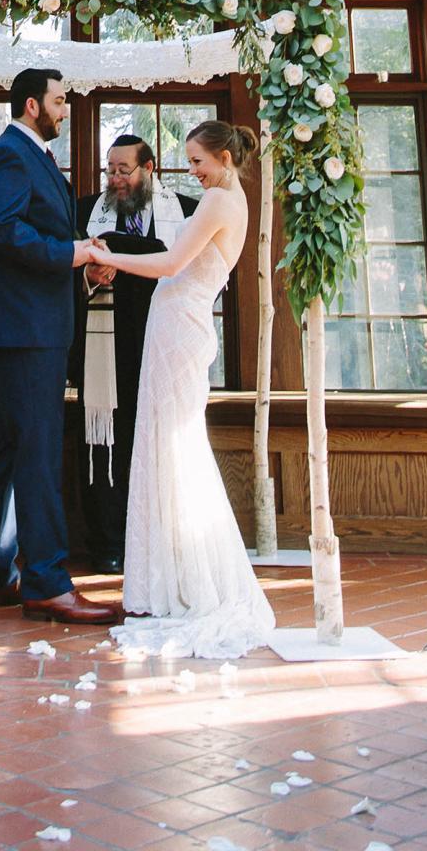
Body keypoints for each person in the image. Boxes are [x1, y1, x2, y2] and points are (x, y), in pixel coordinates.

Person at [87, 119, 275, 660]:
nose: (191, 171)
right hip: (179, 325)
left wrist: (108, 258)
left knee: (173, 448)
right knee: (171, 447)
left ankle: (187, 579)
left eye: (198, 161)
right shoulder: (229, 200)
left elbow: (171, 263)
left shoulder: (218, 204)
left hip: (178, 327)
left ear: (225, 158)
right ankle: (173, 577)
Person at [0, 67, 117, 624]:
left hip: (26, 321)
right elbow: (5, 231)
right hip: (27, 329)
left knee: (4, 450)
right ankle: (48, 584)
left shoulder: (33, 156)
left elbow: (33, 236)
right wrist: (73, 254)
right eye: (58, 100)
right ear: (33, 105)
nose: (64, 109)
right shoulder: (11, 153)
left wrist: (80, 270)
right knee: (36, 452)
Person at [71, 135, 195, 572]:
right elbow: (63, 272)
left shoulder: (185, 211)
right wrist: (89, 272)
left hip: (162, 343)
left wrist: (120, 258)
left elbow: (193, 272)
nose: (115, 179)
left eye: (124, 170)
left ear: (149, 168)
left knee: (160, 438)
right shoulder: (85, 211)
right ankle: (107, 541)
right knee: (105, 441)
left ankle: (160, 539)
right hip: (103, 347)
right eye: (110, 170)